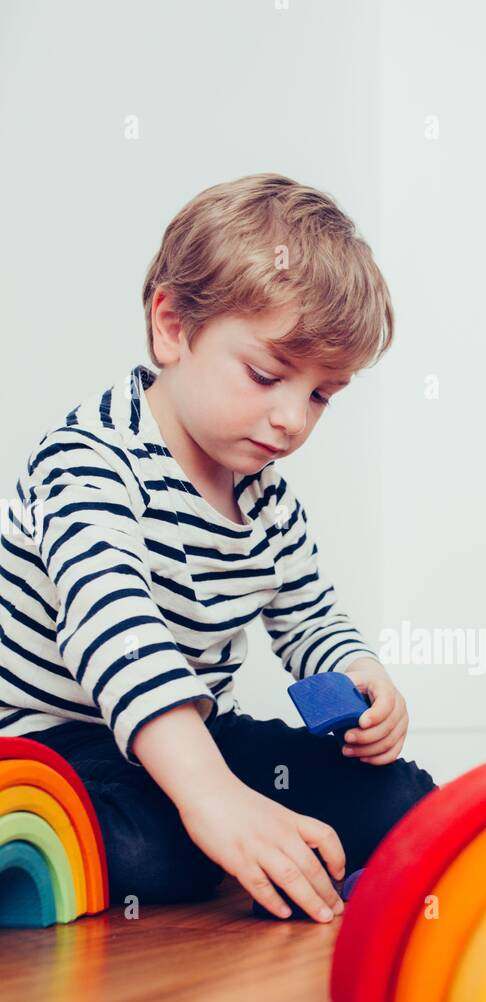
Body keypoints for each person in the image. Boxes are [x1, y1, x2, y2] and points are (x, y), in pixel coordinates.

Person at [0, 173, 439, 923]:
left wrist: (361, 677)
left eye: (320, 395)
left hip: (195, 733)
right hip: (63, 750)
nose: (292, 420)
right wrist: (213, 800)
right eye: (267, 375)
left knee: (399, 795)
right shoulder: (89, 462)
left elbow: (309, 621)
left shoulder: (266, 498)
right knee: (147, 851)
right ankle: (206, 841)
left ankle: (230, 838)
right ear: (172, 327)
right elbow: (118, 637)